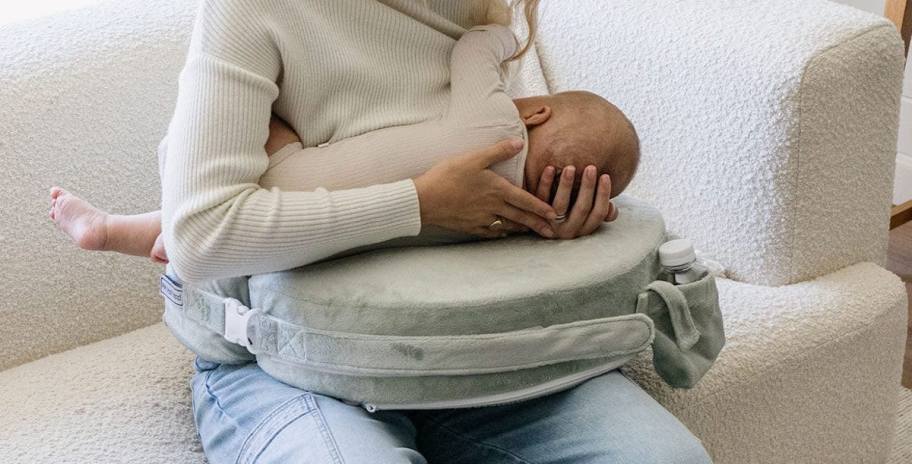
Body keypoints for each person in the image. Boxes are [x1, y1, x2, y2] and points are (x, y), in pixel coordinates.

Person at [59, 1, 715, 462]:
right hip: (285, 360)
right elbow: (201, 237)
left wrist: (550, 215)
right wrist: (420, 205)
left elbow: (510, 155)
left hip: (466, 346)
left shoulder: (481, 12)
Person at [48, 24, 638, 264]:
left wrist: (498, 37)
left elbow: (473, 53)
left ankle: (125, 230)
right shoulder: (505, 216)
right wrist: (551, 222)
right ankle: (143, 232)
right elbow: (211, 226)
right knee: (209, 215)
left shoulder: (498, 131)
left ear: (535, 114)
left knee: (270, 153)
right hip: (284, 233)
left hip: (287, 185)